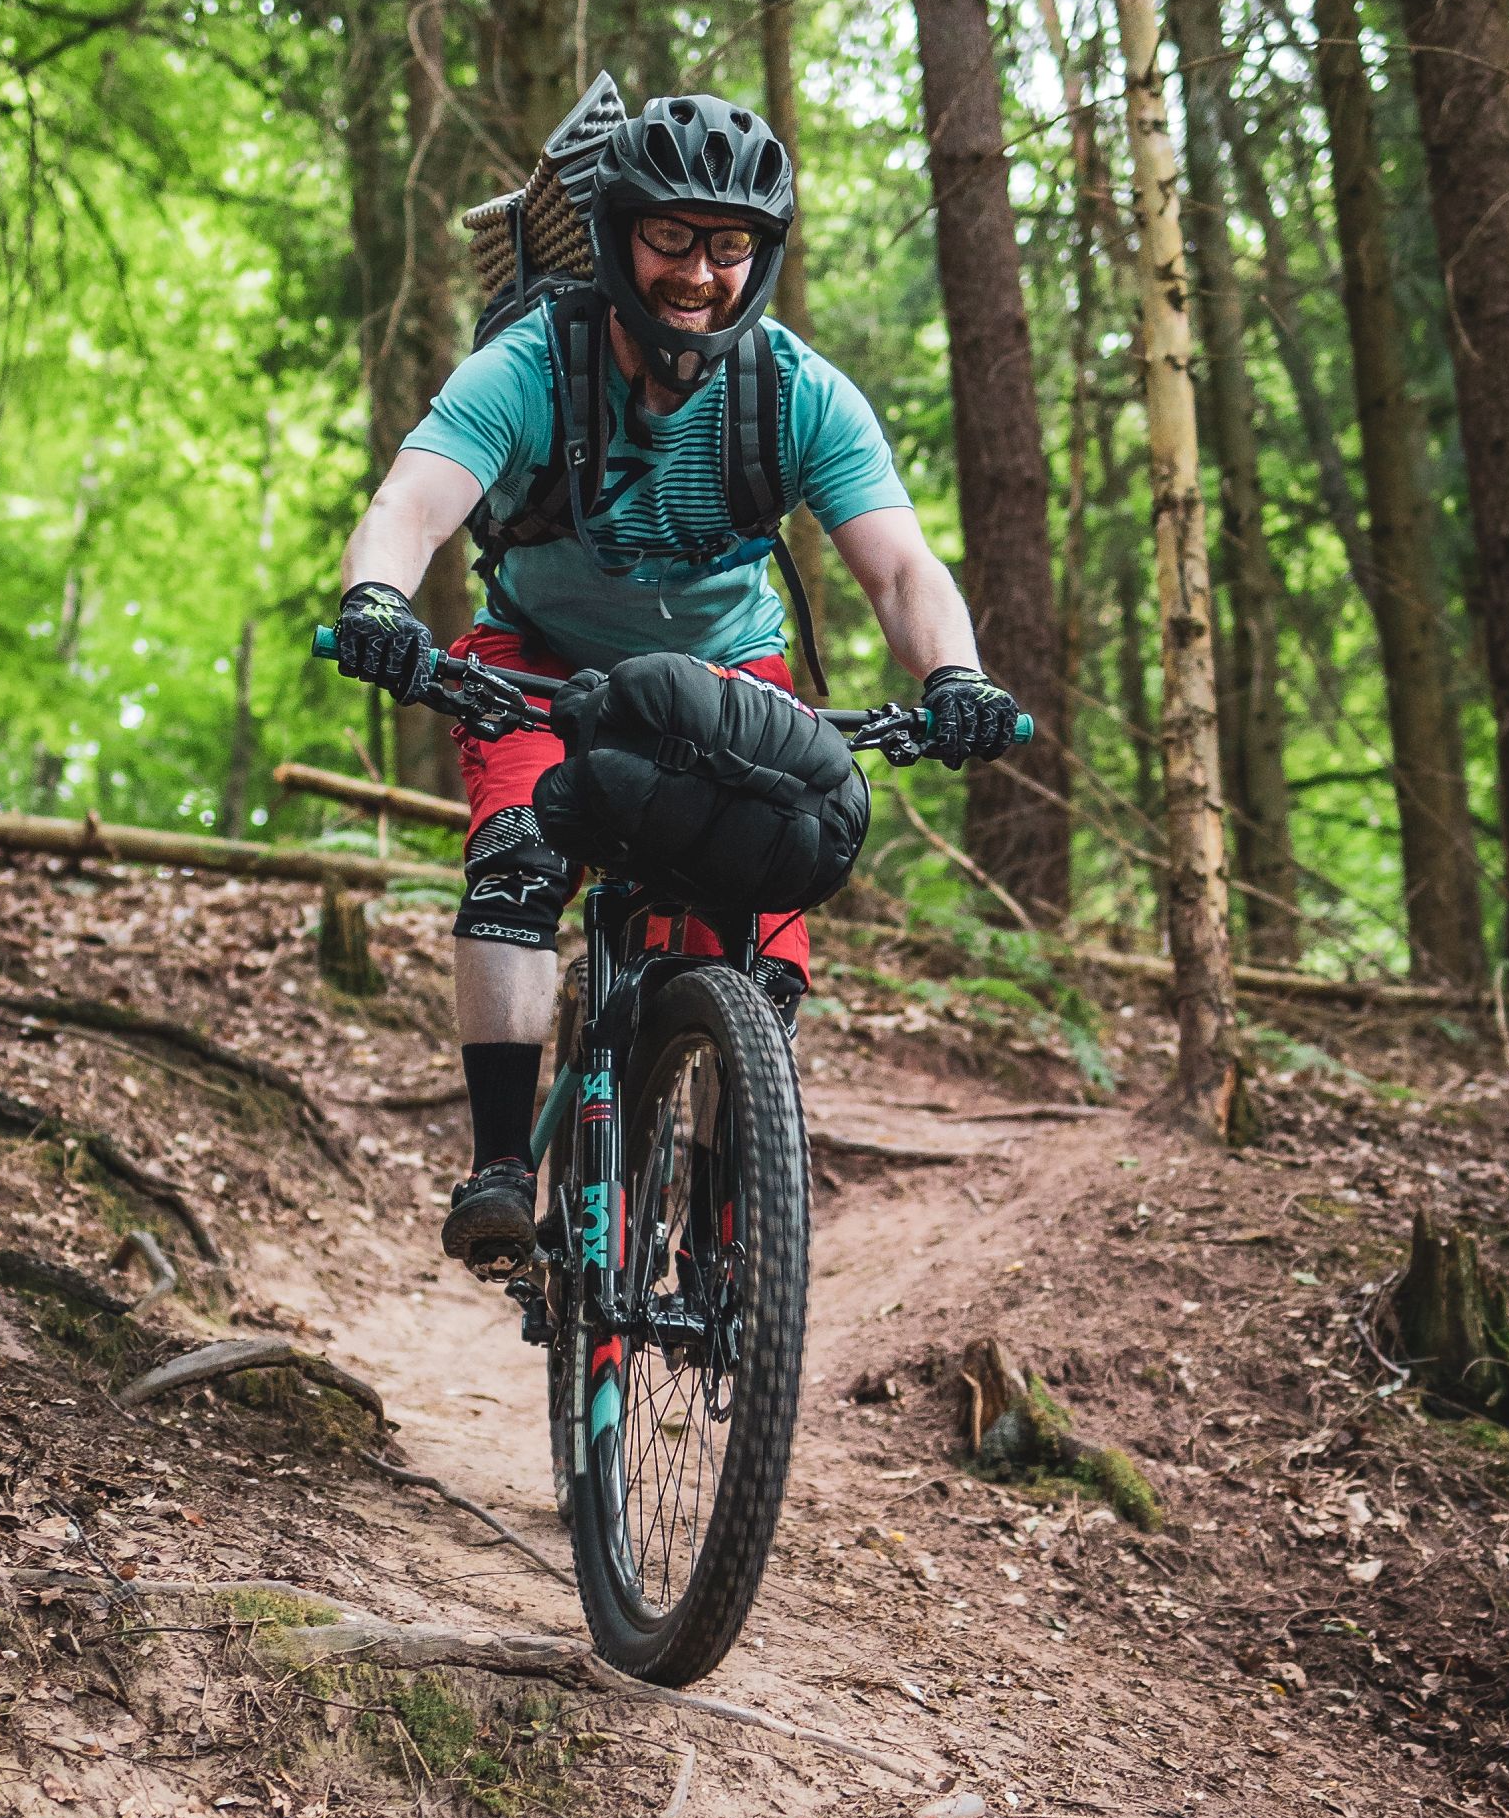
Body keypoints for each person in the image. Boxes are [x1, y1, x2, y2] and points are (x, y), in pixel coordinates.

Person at [332, 88, 1024, 1276]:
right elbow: (412, 502)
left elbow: (901, 564)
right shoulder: (533, 365)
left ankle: (720, 1194)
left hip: (724, 676)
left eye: (730, 244)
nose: (700, 273)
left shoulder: (795, 391)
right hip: (540, 664)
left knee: (762, 894)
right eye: (671, 238)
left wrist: (954, 673)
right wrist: (378, 602)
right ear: (617, 233)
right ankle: (502, 1164)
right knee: (517, 856)